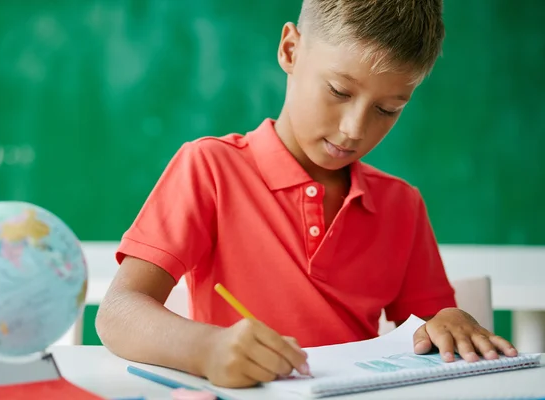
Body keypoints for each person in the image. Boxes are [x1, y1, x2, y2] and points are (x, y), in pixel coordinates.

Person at [95, 0, 517, 388]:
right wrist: (207, 350)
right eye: (339, 91)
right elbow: (118, 313)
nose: (354, 128)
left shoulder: (401, 204)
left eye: (387, 109)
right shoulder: (210, 169)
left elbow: (431, 324)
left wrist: (451, 321)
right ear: (291, 50)